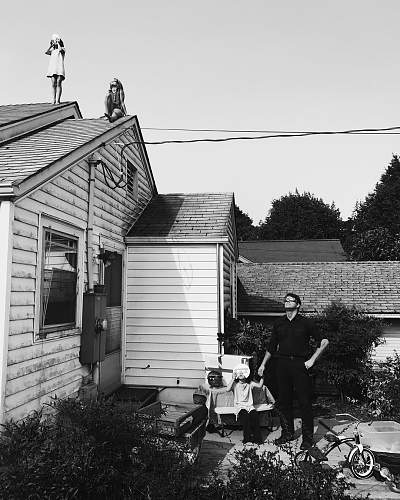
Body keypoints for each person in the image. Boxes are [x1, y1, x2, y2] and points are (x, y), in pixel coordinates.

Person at [257, 293, 329, 450]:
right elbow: (271, 346)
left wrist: (312, 360)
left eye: (290, 300)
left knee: (304, 402)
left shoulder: (306, 323)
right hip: (281, 364)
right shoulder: (279, 323)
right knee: (284, 402)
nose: (286, 302)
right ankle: (287, 433)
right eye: (285, 300)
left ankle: (308, 439)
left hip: (300, 365)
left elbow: (323, 341)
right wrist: (263, 364)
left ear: (297, 305)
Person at [226, 364, 265, 444]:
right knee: (245, 418)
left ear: (247, 374)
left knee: (255, 417)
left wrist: (262, 377)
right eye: (239, 373)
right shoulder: (235, 385)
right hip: (240, 407)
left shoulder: (250, 384)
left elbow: (260, 386)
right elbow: (227, 389)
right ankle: (247, 438)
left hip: (250, 406)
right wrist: (233, 378)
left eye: (243, 373)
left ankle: (257, 439)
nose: (241, 374)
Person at [45, 34, 66, 104]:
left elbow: (62, 50)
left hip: (59, 67)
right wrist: (51, 45)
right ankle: (53, 99)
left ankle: (58, 100)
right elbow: (47, 52)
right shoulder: (52, 50)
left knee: (58, 83)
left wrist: (59, 43)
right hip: (53, 68)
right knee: (53, 83)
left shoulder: (61, 49)